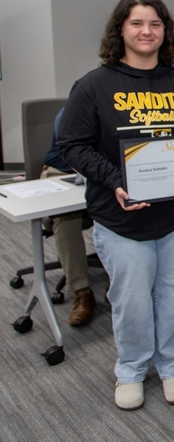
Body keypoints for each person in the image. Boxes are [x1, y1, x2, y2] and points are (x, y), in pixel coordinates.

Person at [58, 0, 174, 411]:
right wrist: (115, 181)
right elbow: (72, 144)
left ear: (165, 32)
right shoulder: (94, 85)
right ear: (121, 30)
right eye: (137, 24)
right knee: (130, 300)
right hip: (121, 215)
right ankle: (130, 369)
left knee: (172, 294)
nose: (147, 32)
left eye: (155, 24)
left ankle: (172, 364)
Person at [41, 107, 96, 325]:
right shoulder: (69, 114)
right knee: (65, 217)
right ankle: (82, 292)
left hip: (99, 177)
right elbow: (66, 153)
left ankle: (119, 282)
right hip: (63, 172)